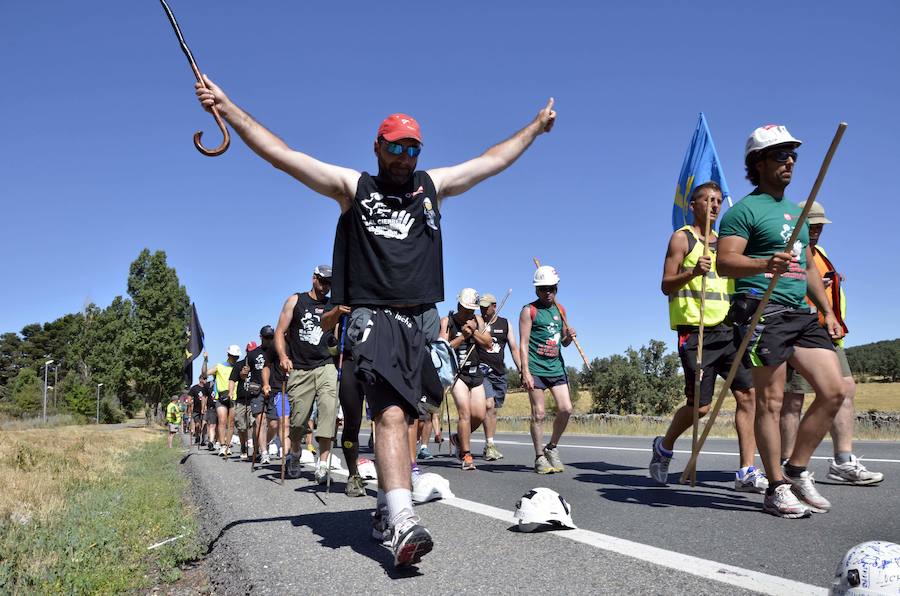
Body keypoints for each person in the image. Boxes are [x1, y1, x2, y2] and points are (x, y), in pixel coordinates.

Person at [195, 76, 556, 566]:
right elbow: (283, 154)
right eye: (396, 147)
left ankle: (387, 505)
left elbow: (490, 161)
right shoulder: (354, 189)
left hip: (421, 323)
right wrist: (229, 108)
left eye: (413, 148)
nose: (405, 156)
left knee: (410, 416)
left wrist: (533, 129)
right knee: (387, 413)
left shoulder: (433, 187)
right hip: (371, 318)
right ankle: (405, 521)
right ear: (378, 147)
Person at [717, 124, 846, 518]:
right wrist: (762, 262)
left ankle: (796, 468)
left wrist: (826, 310)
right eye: (780, 155)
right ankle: (775, 486)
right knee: (770, 402)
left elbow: (808, 265)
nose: (789, 161)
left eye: (793, 155)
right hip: (760, 310)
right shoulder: (743, 211)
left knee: (835, 391)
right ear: (758, 163)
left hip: (801, 313)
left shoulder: (799, 212)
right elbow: (725, 263)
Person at [650, 182, 766, 492]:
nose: (714, 205)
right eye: (708, 200)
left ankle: (746, 470)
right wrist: (692, 272)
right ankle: (664, 446)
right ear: (694, 205)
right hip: (696, 332)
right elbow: (665, 285)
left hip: (730, 329)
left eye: (718, 201)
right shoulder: (682, 238)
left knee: (747, 396)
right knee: (700, 408)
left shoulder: (728, 242)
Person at [780, 201, 883, 485]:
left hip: (829, 332)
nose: (816, 232)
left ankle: (843, 461)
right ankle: (786, 465)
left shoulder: (820, 253)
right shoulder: (790, 250)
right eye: (811, 226)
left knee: (846, 389)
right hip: (799, 331)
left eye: (820, 227)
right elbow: (779, 289)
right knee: (793, 400)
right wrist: (811, 288)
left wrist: (832, 286)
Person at [274, 265, 348, 484]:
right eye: (323, 281)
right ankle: (295, 453)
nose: (326, 287)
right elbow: (280, 331)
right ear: (313, 278)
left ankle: (323, 464)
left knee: (328, 410)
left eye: (329, 284)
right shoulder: (295, 300)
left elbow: (336, 334)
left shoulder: (333, 304)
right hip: (300, 367)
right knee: (298, 422)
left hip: (325, 365)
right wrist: (282, 357)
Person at [519, 265, 577, 474]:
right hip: (536, 367)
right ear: (536, 290)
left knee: (566, 409)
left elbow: (565, 342)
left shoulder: (560, 310)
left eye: (552, 288)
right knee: (539, 413)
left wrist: (569, 335)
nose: (548, 292)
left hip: (556, 367)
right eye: (543, 288)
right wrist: (525, 371)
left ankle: (551, 447)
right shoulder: (529, 310)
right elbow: (523, 343)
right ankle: (539, 457)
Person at [440, 288, 492, 470]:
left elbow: (488, 343)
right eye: (465, 310)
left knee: (479, 414)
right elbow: (442, 349)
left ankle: (458, 438)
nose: (468, 314)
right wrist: (463, 336)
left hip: (475, 372)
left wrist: (474, 332)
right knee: (465, 412)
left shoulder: (477, 321)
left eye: (471, 310)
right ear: (458, 305)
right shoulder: (447, 321)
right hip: (457, 374)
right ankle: (466, 455)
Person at [477, 292, 521, 461]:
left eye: (486, 307)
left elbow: (514, 348)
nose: (483, 309)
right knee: (488, 405)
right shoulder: (478, 322)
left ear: (494, 306)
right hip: (482, 371)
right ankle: (490, 445)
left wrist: (521, 369)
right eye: (481, 307)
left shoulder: (505, 324)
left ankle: (460, 438)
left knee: (493, 410)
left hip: (499, 373)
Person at [232, 339, 268, 462]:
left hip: (254, 398)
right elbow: (233, 379)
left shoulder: (260, 364)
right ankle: (243, 447)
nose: (252, 353)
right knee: (242, 427)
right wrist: (231, 392)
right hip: (242, 400)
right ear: (247, 352)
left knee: (255, 424)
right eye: (250, 351)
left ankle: (257, 450)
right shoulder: (239, 365)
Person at [202, 345, 240, 457]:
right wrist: (205, 361)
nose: (235, 358)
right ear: (228, 355)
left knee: (231, 423)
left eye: (237, 356)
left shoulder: (238, 367)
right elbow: (205, 374)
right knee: (222, 420)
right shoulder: (219, 366)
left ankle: (228, 446)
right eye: (233, 356)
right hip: (221, 397)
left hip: (234, 397)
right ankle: (222, 445)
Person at [262, 327, 289, 460]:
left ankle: (292, 452)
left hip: (299, 387)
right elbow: (266, 366)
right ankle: (287, 456)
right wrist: (266, 383)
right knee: (280, 423)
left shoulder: (304, 342)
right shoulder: (276, 344)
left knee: (296, 424)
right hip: (280, 388)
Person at [188, 377, 210, 445]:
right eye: (204, 379)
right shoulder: (194, 388)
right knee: (197, 425)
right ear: (200, 379)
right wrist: (190, 402)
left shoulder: (207, 388)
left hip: (205, 409)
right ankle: (197, 437)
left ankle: (204, 439)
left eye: (206, 379)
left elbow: (209, 397)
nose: (205, 380)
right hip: (196, 410)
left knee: (204, 424)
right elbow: (189, 397)